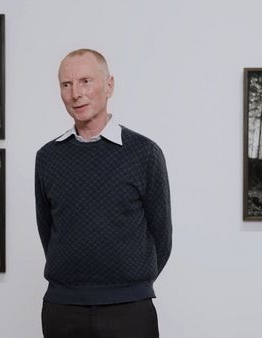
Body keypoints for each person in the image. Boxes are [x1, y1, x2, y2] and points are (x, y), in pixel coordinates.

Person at [35, 48, 172, 338]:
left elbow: (162, 236)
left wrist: (128, 284)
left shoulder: (145, 153)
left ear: (109, 86)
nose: (76, 94)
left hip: (130, 308)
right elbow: (48, 231)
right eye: (66, 84)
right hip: (62, 309)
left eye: (86, 81)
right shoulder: (47, 157)